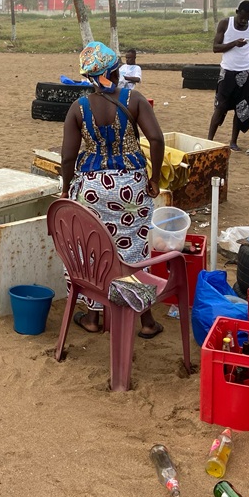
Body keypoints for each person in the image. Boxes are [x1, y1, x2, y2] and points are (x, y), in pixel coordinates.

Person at [60, 41, 166, 338]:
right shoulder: (134, 99)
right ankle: (145, 321)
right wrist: (154, 178)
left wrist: (66, 189)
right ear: (115, 71)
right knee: (132, 251)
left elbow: (68, 156)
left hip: (91, 187)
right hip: (131, 187)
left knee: (95, 251)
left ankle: (94, 318)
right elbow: (156, 139)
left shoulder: (78, 108)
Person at [208, 0, 249, 151]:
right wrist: (234, 43)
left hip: (244, 72)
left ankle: (233, 141)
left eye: (247, 18)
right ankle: (209, 139)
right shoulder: (225, 24)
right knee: (220, 107)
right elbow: (215, 48)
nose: (244, 21)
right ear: (237, 12)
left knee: (241, 108)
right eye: (242, 17)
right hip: (227, 72)